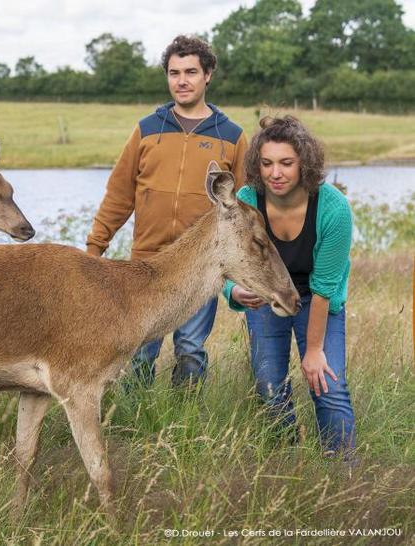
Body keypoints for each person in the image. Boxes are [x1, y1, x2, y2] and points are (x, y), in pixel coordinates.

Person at [86, 35, 248, 387]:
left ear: (208, 75)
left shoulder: (232, 136)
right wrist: (94, 248)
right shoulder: (146, 130)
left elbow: (243, 211)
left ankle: (186, 431)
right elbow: (119, 195)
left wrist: (237, 275)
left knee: (190, 350)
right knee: (140, 352)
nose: (182, 81)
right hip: (146, 265)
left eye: (191, 72)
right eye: (174, 73)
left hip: (200, 267)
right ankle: (134, 426)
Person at [223, 115, 355, 454]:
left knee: (327, 384)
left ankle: (342, 472)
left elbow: (325, 287)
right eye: (266, 163)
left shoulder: (333, 209)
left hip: (317, 298)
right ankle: (286, 461)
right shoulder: (246, 199)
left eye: (286, 163)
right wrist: (234, 291)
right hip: (269, 299)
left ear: (304, 164)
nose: (275, 173)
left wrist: (313, 351)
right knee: (269, 386)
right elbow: (226, 260)